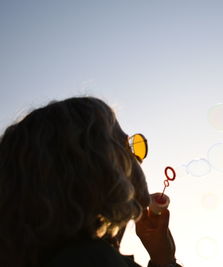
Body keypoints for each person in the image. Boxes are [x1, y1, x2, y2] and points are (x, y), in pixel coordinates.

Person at [0, 97, 181, 267]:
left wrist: (162, 258)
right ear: (101, 167)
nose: (138, 158)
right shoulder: (95, 260)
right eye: (127, 146)